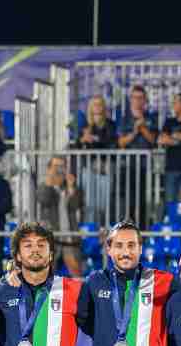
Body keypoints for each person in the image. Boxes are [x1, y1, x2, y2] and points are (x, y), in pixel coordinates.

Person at [34, 156, 84, 276]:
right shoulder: (43, 187)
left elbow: (76, 205)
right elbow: (44, 199)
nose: (59, 170)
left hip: (69, 237)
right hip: (51, 238)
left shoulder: (72, 187)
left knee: (76, 273)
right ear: (49, 169)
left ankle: (80, 295)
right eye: (56, 167)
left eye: (62, 167)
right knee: (46, 274)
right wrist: (50, 181)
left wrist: (71, 188)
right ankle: (46, 295)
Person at [116, 85, 158, 222]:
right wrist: (134, 131)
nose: (138, 101)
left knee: (142, 199)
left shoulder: (151, 118)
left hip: (145, 166)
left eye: (141, 98)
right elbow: (121, 142)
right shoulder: (124, 119)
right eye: (135, 98)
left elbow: (153, 140)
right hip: (127, 166)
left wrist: (143, 128)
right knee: (127, 200)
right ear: (130, 100)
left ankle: (142, 229)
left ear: (145, 100)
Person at [77, 94, 117, 225]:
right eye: (94, 104)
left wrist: (95, 139)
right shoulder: (84, 124)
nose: (97, 107)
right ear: (90, 108)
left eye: (100, 104)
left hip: (105, 168)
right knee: (89, 204)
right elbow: (77, 145)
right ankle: (90, 232)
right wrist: (83, 139)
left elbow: (112, 143)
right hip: (88, 167)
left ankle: (103, 231)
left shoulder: (110, 124)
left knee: (103, 204)